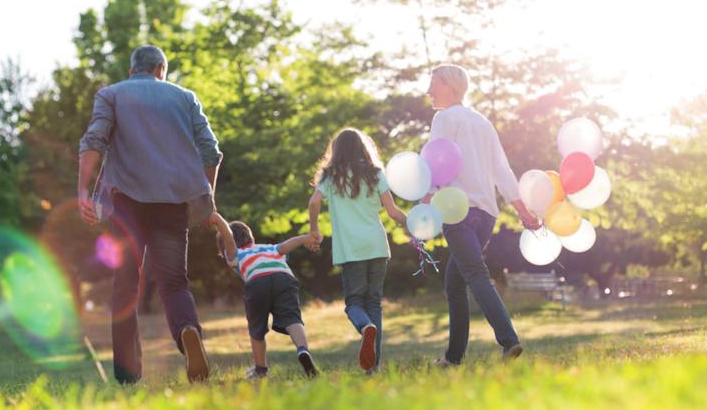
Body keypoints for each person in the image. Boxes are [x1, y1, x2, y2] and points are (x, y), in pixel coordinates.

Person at [78, 45, 222, 384]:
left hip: (126, 204)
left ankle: (128, 375)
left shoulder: (111, 94)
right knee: (174, 283)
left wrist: (83, 190)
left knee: (125, 285)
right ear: (160, 69)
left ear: (132, 71)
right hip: (172, 203)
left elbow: (94, 139)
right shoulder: (185, 97)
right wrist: (207, 198)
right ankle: (187, 331)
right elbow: (211, 152)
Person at [424, 65, 541, 367]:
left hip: (457, 210)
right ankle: (452, 358)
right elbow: (502, 170)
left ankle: (509, 341)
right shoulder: (481, 121)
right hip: (486, 214)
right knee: (455, 282)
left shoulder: (444, 118)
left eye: (433, 84)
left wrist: (425, 201)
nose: (428, 91)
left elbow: (435, 160)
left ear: (450, 86)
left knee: (475, 274)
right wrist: (522, 211)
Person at [307, 128, 407, 372]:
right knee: (373, 304)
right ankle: (374, 366)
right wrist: (414, 224)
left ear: (336, 150)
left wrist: (313, 231)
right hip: (376, 246)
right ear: (364, 148)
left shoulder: (331, 176)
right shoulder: (376, 174)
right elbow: (393, 212)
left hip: (351, 250)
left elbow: (314, 202)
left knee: (354, 302)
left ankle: (364, 328)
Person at [211, 214, 318, 379]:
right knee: (293, 319)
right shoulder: (269, 248)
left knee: (257, 329)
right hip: (284, 279)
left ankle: (261, 369)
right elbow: (286, 245)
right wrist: (306, 238)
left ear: (225, 249)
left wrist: (218, 222)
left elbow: (228, 238)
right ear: (251, 238)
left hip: (257, 282)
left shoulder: (234, 254)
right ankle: (303, 350)